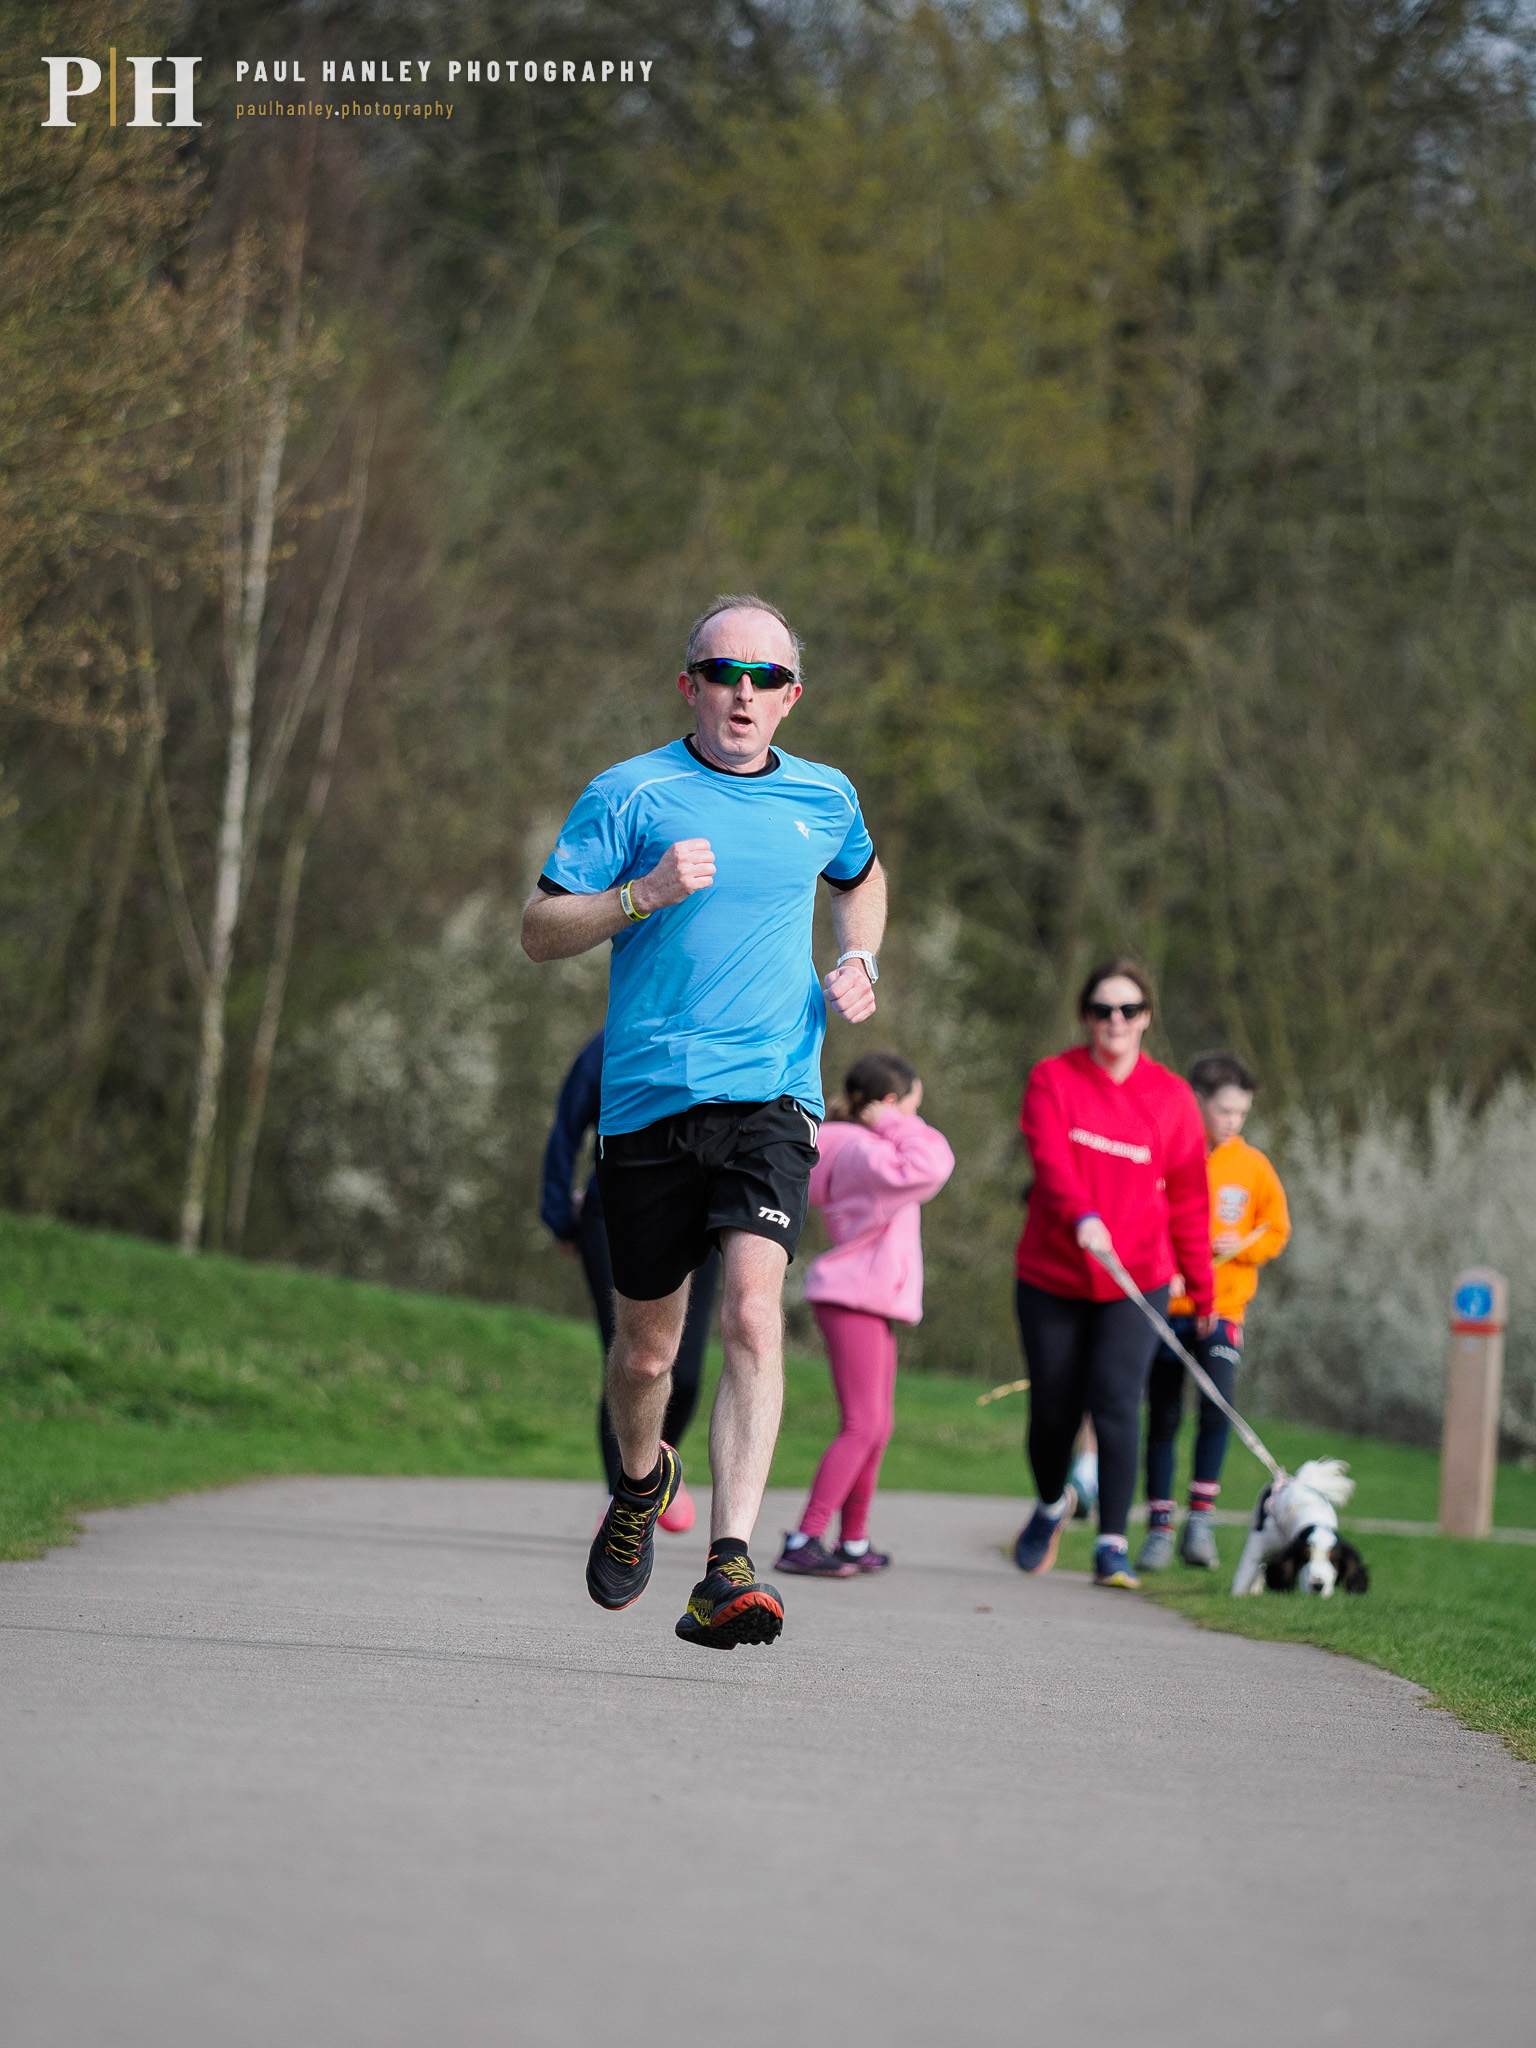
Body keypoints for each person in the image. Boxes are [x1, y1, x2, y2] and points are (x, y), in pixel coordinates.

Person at [521, 594, 885, 1648]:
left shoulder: (826, 796)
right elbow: (539, 929)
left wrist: (860, 954)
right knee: (646, 1355)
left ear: (791, 698)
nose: (744, 690)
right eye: (724, 671)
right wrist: (637, 895)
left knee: (755, 1314)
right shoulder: (628, 792)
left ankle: (729, 1564)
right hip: (647, 1102)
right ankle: (640, 1483)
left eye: (766, 678)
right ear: (690, 683)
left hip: (775, 1095)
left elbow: (863, 879)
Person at [1010, 959, 1214, 1588]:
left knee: (1119, 1402)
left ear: (1146, 1017)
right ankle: (1051, 1504)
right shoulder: (1053, 1079)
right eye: (1102, 1010)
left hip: (1137, 1279)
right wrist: (1082, 1216)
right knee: (1053, 1413)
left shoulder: (1173, 1098)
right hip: (1054, 1273)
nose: (1115, 1022)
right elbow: (1050, 1160)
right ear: (1086, 1017)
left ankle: (1111, 1545)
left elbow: (1188, 1198)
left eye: (1128, 1010)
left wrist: (1201, 1287)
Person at [775, 1051, 954, 1577]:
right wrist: (898, 1123)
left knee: (877, 1426)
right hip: (853, 1295)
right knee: (862, 1424)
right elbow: (932, 1163)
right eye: (911, 1109)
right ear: (891, 1104)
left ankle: (853, 1541)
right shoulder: (857, 1148)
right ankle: (806, 1536)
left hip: (867, 1296)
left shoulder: (854, 1145)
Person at [540, 1026, 719, 1533]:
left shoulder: (717, 1033)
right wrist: (560, 1215)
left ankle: (656, 1464)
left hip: (699, 1216)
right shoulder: (607, 1043)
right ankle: (623, 1496)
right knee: (631, 1355)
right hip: (612, 1215)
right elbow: (565, 1129)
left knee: (683, 1371)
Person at [1135, 1051, 1291, 1572]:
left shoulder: (1253, 1166)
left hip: (1223, 1309)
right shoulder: (1163, 1151)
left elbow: (1277, 1230)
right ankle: (1159, 1524)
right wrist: (1162, 1265)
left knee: (1219, 1405)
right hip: (1166, 1308)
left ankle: (1199, 1521)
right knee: (1163, 1415)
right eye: (1224, 1111)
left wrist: (1242, 1243)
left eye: (1241, 1114)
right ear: (1197, 1101)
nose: (1232, 1122)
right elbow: (1140, 1214)